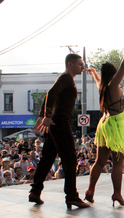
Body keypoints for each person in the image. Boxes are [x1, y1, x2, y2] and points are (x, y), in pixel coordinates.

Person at [84, 38, 124, 207]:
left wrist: (94, 72)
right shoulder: (113, 84)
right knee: (118, 163)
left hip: (105, 124)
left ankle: (90, 190)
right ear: (113, 73)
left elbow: (96, 79)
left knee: (99, 161)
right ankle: (117, 194)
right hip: (116, 125)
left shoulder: (102, 86)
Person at [29, 54, 89, 209]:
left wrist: (44, 115)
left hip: (56, 121)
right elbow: (51, 93)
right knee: (70, 158)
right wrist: (46, 116)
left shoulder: (66, 79)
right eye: (80, 64)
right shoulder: (66, 78)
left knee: (48, 158)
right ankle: (72, 196)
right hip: (60, 121)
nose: (82, 67)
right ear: (70, 64)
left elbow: (50, 95)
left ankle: (35, 191)